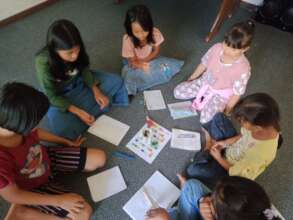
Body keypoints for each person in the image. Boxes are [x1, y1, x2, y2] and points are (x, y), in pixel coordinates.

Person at [0, 82, 106, 220]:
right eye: (37, 121)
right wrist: (59, 201)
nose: (39, 124)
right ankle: (22, 211)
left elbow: (37, 133)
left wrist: (65, 142)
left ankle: (50, 180)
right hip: (29, 186)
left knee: (100, 158)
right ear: (22, 124)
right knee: (84, 214)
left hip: (44, 159)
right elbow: (12, 195)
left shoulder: (15, 125)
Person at [36, 19, 128, 139]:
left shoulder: (77, 54)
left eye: (77, 49)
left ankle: (89, 110)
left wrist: (96, 90)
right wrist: (77, 111)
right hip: (60, 95)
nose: (75, 55)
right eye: (69, 53)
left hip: (80, 82)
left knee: (117, 82)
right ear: (55, 50)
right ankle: (91, 109)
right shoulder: (43, 62)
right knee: (62, 129)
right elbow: (51, 95)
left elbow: (84, 69)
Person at [185, 93, 282, 188]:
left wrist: (219, 158)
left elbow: (237, 174)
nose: (241, 124)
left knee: (192, 170)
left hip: (229, 170)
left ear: (257, 127)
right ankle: (209, 151)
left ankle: (209, 146)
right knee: (219, 117)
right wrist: (225, 142)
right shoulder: (265, 126)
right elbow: (242, 136)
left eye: (242, 122)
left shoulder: (260, 154)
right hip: (232, 149)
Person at [174, 20, 255, 123]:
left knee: (206, 119)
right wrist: (191, 78)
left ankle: (210, 104)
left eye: (233, 49)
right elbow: (204, 64)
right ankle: (204, 99)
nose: (227, 50)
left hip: (220, 94)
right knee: (177, 92)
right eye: (226, 44)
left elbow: (237, 93)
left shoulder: (243, 68)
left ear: (245, 49)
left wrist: (227, 110)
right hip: (204, 82)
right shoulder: (216, 48)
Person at [146, 175, 282, 220]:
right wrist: (202, 202)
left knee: (169, 214)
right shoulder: (262, 207)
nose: (209, 199)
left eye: (212, 202)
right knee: (192, 186)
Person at [122, 4, 184, 95]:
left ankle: (145, 78)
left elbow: (156, 51)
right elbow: (133, 61)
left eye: (145, 31)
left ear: (149, 26)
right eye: (136, 32)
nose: (141, 35)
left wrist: (145, 61)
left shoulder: (155, 33)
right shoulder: (127, 39)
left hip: (151, 58)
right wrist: (142, 65)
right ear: (130, 30)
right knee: (129, 76)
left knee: (166, 66)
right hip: (133, 63)